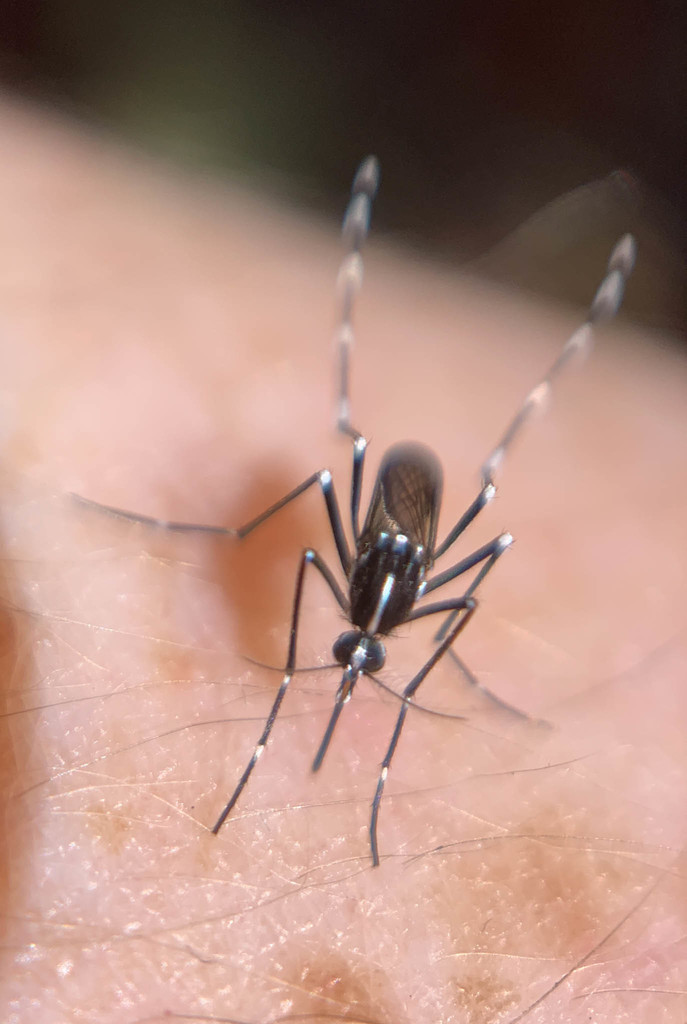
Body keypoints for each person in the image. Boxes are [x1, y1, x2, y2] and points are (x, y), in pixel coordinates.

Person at [2, 97, 685, 1024]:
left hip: (413, 527)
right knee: (345, 453)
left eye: (352, 659)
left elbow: (457, 597)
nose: (356, 665)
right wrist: (280, 647)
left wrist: (437, 692)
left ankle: (573, 324)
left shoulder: (405, 612)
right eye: (355, 658)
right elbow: (310, 567)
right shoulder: (353, 595)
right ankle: (227, 527)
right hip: (390, 518)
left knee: (486, 500)